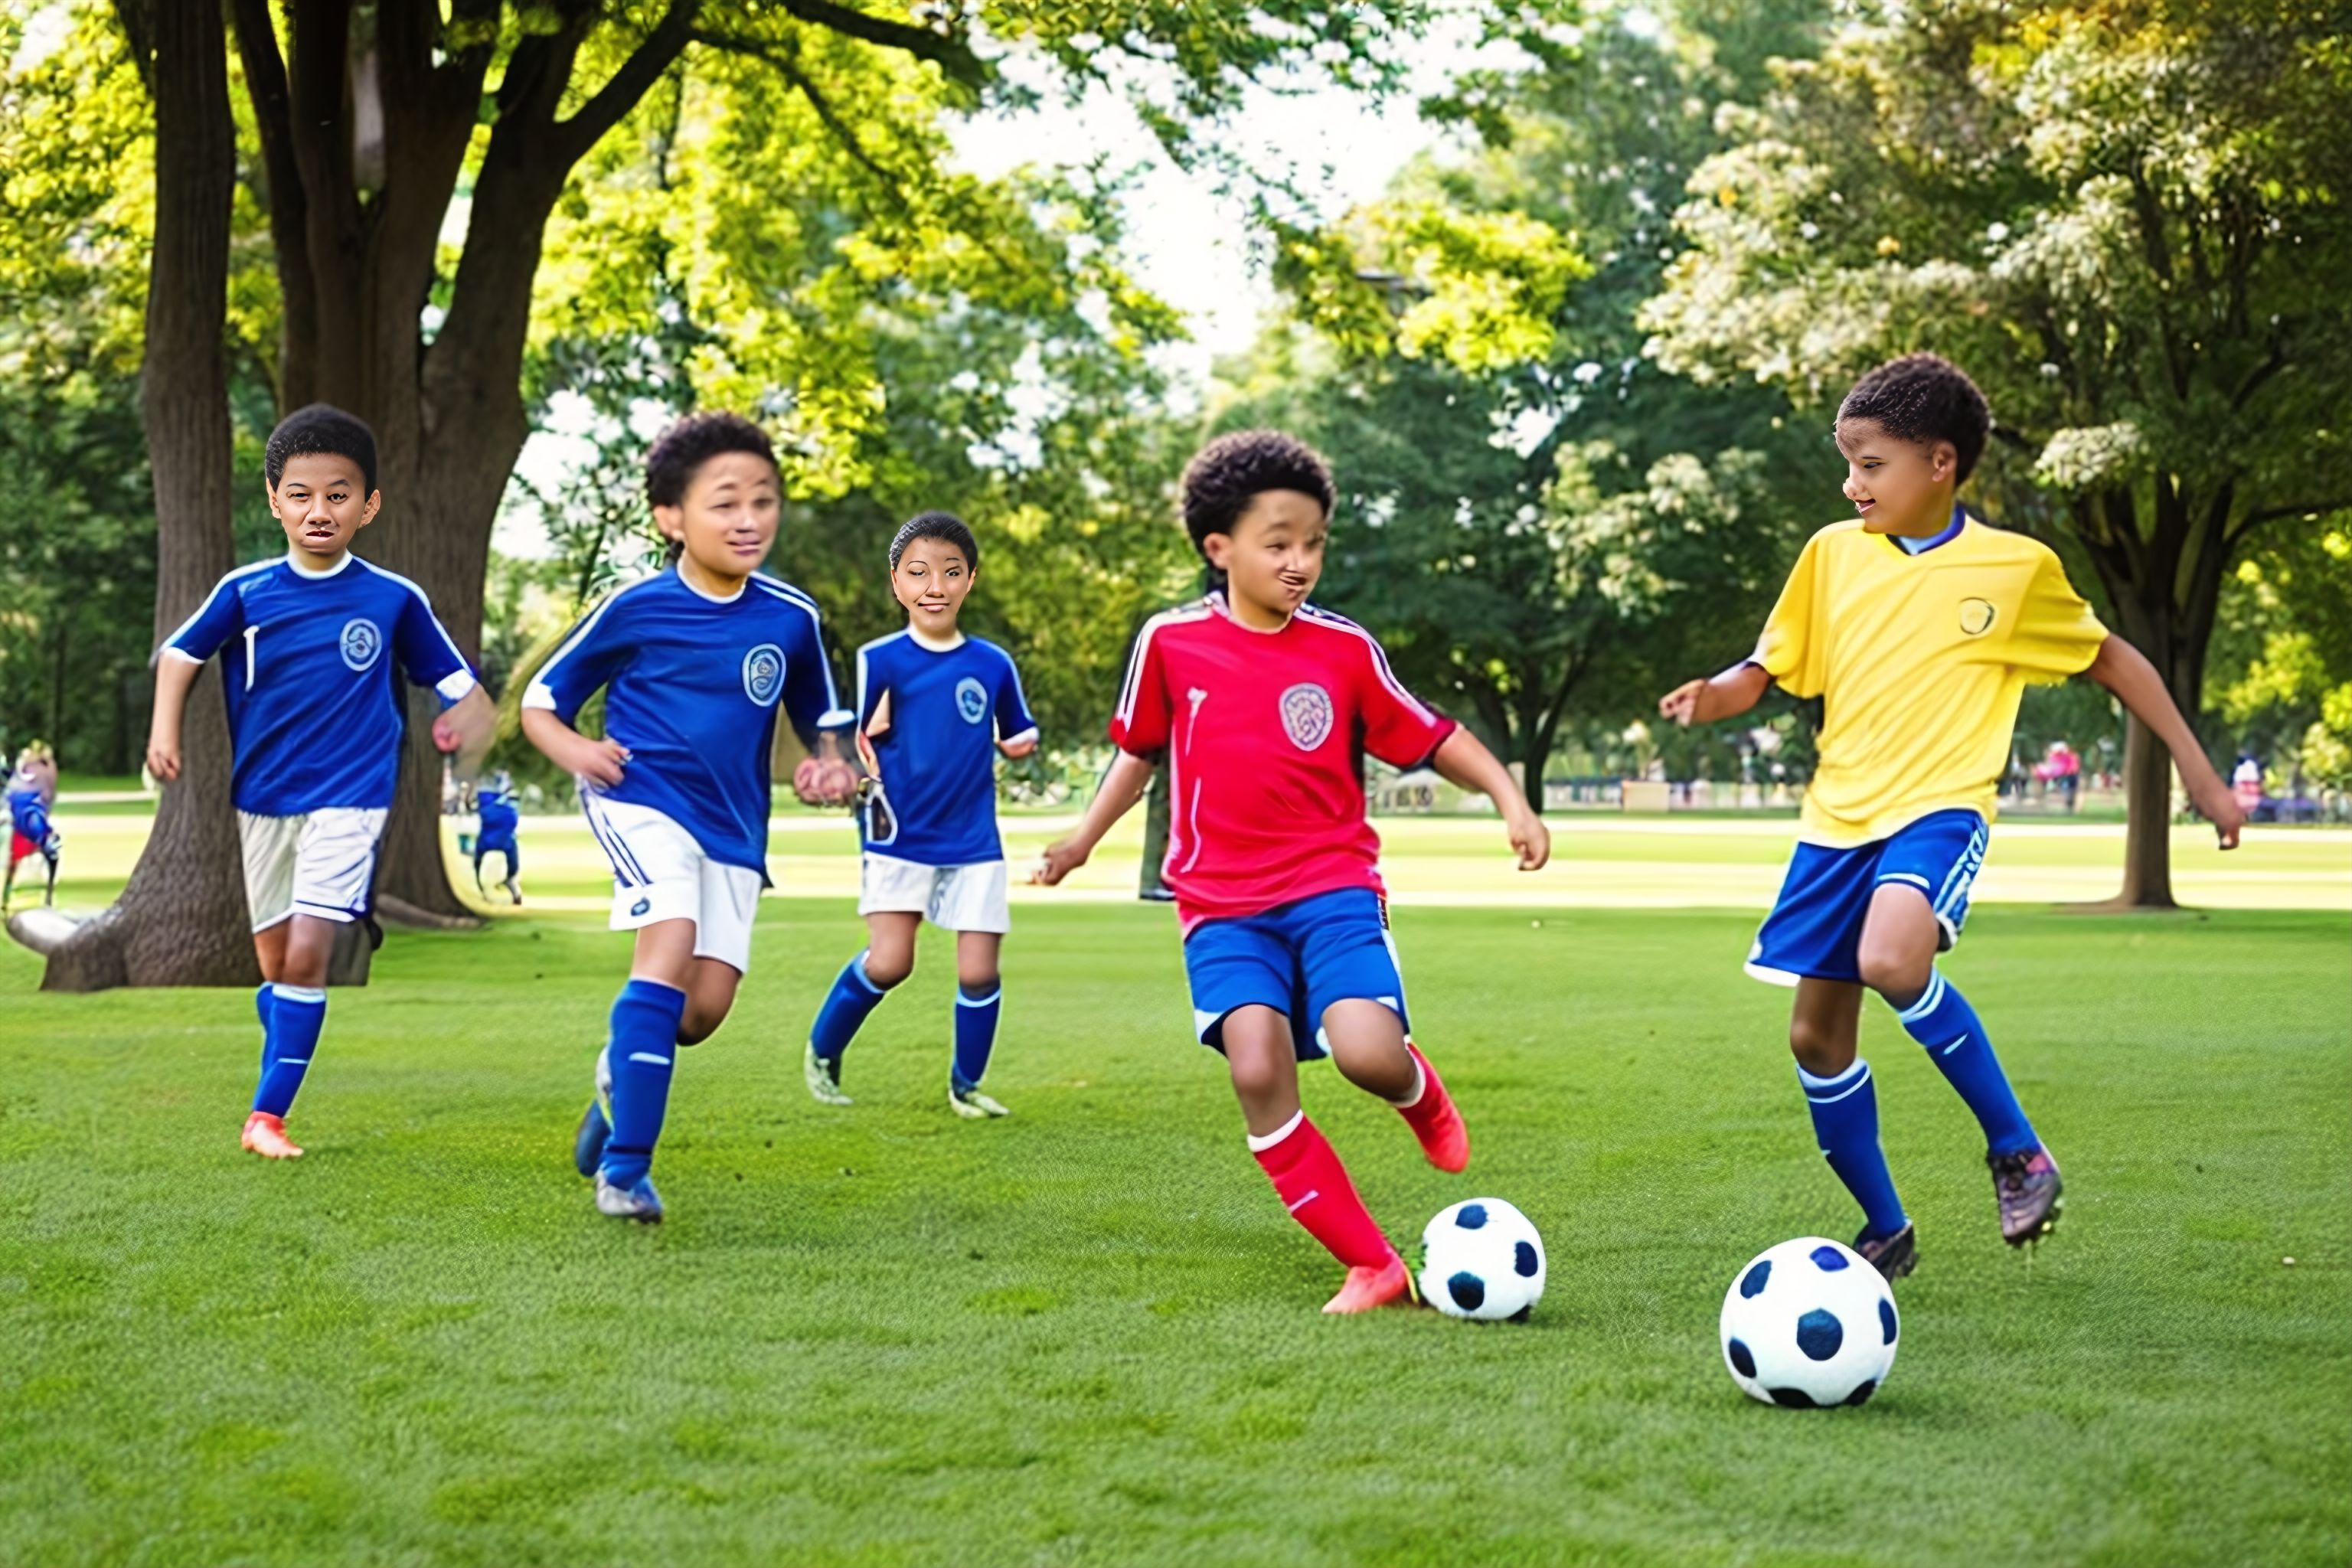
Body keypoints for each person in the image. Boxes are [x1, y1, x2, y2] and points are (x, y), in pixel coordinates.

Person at [1658, 353, 2246, 1280]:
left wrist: (2201, 775)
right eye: (1847, 462)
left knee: (1893, 956)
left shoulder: (2016, 570)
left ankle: (2018, 1149)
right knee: (1814, 1036)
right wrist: (1716, 699)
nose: (1851, 483)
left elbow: (2116, 660)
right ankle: (1886, 1228)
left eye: (1871, 463)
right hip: (1835, 820)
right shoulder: (1831, 553)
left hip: (1939, 809)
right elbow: (1767, 664)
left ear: (1940, 462)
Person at [1036, 430, 1550, 1313]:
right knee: (1256, 1066)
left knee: (1364, 1051)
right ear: (1219, 547)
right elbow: (1139, 754)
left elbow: (1432, 734)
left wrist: (1511, 796)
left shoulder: (1342, 650)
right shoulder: (1169, 643)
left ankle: (1418, 1092)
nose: (1300, 561)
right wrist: (1082, 841)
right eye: (1279, 542)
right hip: (1219, 906)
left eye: (1314, 542)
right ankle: (1374, 1264)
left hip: (1331, 889)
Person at [527, 412, 855, 1223]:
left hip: (735, 826)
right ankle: (626, 1169)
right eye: (726, 503)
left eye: (764, 501)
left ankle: (617, 1080)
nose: (749, 520)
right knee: (665, 944)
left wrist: (830, 765)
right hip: (640, 797)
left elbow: (827, 725)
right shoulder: (636, 606)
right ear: (672, 516)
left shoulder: (791, 617)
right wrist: (580, 752)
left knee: (701, 1011)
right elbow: (542, 702)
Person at [147, 403, 495, 1160]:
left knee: (309, 952)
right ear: (274, 499)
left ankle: (266, 1116)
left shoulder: (393, 598)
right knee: (277, 966)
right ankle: (284, 1056)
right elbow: (180, 655)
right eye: (301, 493)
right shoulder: (246, 591)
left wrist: (462, 721)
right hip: (262, 799)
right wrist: (163, 732)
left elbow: (458, 682)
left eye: (339, 494)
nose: (318, 509)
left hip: (353, 796)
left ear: (368, 506)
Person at [802, 512, 1038, 1118]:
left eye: (951, 572)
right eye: (919, 572)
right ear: (897, 584)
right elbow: (857, 741)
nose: (935, 585)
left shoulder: (992, 664)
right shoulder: (878, 659)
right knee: (890, 962)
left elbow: (1018, 729)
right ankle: (823, 1050)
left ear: (970, 581)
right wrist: (851, 754)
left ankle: (966, 1086)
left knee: (980, 969)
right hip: (899, 832)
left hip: (974, 838)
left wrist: (1018, 744)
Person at [3, 741, 62, 912]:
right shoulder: (44, 768)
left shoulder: (30, 768)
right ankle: (48, 896)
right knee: (50, 855)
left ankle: (6, 897)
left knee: (15, 862)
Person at [471, 769, 524, 905]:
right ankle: (511, 884)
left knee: (479, 858)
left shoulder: (486, 795)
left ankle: (482, 885)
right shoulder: (503, 800)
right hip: (503, 835)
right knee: (511, 856)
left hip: (490, 835)